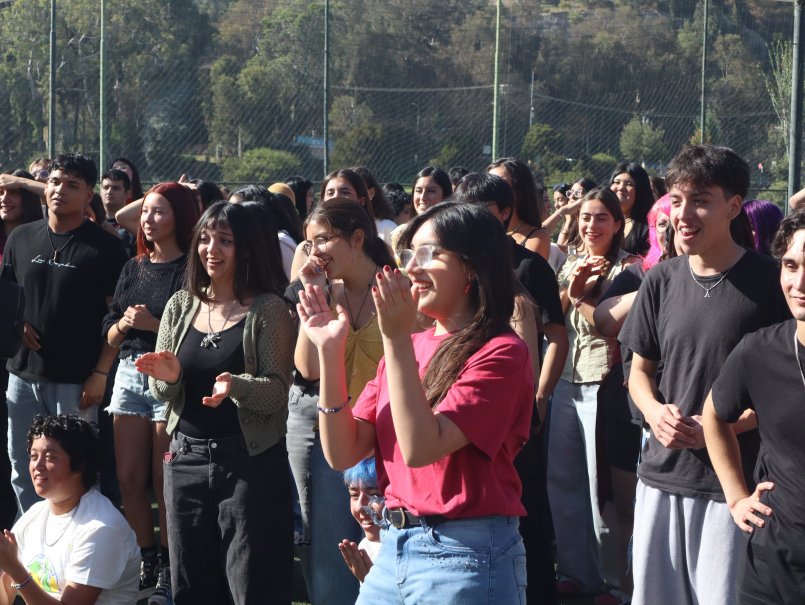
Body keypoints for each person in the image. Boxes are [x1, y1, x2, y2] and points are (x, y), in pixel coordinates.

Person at [298, 201, 533, 604]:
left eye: (430, 254)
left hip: (465, 554)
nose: (412, 268)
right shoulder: (409, 347)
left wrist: (394, 338)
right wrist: (330, 352)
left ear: (473, 267)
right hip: (393, 547)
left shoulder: (502, 352)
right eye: (410, 255)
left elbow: (421, 447)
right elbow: (342, 453)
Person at [619, 144, 791, 605]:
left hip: (735, 487)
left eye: (700, 199)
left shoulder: (772, 283)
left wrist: (723, 428)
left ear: (733, 206)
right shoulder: (660, 279)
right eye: (676, 200)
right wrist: (655, 413)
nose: (684, 213)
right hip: (660, 476)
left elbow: (785, 389)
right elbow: (639, 373)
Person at [133, 201, 295, 605]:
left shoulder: (269, 309)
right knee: (192, 583)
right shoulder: (180, 305)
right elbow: (160, 393)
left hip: (247, 465)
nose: (211, 249)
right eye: (204, 239)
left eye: (225, 240)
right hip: (183, 461)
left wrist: (236, 387)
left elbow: (278, 391)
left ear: (248, 248)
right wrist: (170, 379)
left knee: (250, 583)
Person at [453, 173, 567, 605]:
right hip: (467, 406)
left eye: (484, 211)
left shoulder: (528, 267)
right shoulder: (457, 267)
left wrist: (539, 396)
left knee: (526, 508)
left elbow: (557, 336)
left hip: (519, 409)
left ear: (505, 213)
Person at [2, 153, 128, 513]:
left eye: (73, 185)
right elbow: (8, 294)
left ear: (89, 195)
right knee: (24, 469)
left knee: (77, 471)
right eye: (55, 182)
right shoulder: (21, 237)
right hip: (22, 376)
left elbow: (115, 317)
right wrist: (17, 320)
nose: (60, 190)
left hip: (78, 383)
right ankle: (31, 555)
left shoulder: (105, 248)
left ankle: (79, 553)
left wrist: (100, 373)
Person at [287, 198, 395, 605]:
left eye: (323, 240)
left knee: (386, 549)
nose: (314, 252)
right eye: (309, 243)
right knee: (336, 548)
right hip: (339, 436)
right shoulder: (326, 292)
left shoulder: (396, 288)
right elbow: (306, 369)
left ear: (358, 238)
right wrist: (312, 296)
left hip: (390, 440)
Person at [102, 182, 200, 604]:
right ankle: (149, 558)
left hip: (166, 376)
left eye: (160, 211)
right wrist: (126, 325)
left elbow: (194, 332)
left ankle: (170, 561)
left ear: (179, 216)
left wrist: (149, 325)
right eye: (146, 211)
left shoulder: (192, 269)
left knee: (164, 481)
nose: (148, 218)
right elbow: (109, 334)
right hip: (127, 373)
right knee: (128, 477)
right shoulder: (132, 267)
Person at [703, 210, 805, 605]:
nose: (799, 283)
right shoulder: (758, 351)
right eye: (790, 266)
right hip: (772, 569)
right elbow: (714, 415)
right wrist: (735, 497)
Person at [548, 187, 639, 597]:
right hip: (565, 381)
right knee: (563, 480)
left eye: (602, 217)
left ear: (618, 224)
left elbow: (611, 323)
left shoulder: (630, 269)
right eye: (586, 217)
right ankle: (573, 573)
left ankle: (612, 582)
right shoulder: (567, 263)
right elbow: (552, 315)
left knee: (599, 485)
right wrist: (573, 288)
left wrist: (584, 294)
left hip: (604, 383)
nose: (591, 225)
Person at [590, 194, 675, 605]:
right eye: (661, 222)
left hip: (680, 413)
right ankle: (624, 588)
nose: (670, 229)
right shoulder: (638, 274)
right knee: (627, 505)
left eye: (675, 221)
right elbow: (602, 319)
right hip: (627, 409)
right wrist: (655, 284)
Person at [0, 414, 139, 605]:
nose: (37, 466)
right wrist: (10, 569)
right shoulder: (35, 515)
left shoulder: (101, 529)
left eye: (49, 457)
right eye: (33, 456)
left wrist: (16, 571)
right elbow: (4, 592)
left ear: (79, 466)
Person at [488, 157, 551, 260]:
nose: (492, 190)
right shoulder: (487, 231)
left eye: (500, 184)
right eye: (489, 184)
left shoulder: (537, 237)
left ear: (520, 189)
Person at [339, 457, 384, 583]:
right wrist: (368, 583)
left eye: (375, 494)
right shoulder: (366, 548)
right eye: (354, 495)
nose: (359, 507)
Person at [389, 167, 452, 250]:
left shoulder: (454, 230)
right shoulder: (401, 234)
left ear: (445, 196)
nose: (423, 197)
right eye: (418, 191)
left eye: (431, 191)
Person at [610, 163, 653, 256]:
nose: (621, 188)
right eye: (617, 182)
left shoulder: (648, 229)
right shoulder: (602, 221)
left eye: (629, 184)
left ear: (640, 190)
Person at [0, 170, 43, 263]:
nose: (4, 199)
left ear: (29, 198)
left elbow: (61, 194)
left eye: (14, 192)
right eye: (1, 192)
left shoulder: (45, 237)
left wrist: (22, 182)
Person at [353, 166, 397, 244]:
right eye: (346, 191)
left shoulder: (388, 229)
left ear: (371, 193)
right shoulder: (335, 229)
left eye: (358, 189)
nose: (353, 194)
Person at [100, 169, 136, 257]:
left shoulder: (134, 225)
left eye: (115, 188)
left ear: (127, 194)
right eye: (105, 187)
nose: (109, 192)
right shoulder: (90, 220)